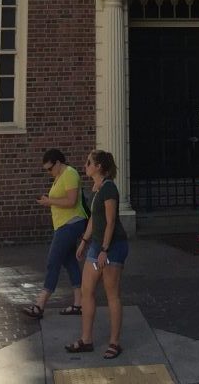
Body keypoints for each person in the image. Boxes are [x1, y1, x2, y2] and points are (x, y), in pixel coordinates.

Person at [65, 149, 128, 361]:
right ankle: (86, 339)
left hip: (113, 246)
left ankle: (114, 343)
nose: (86, 166)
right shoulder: (97, 188)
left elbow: (111, 221)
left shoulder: (109, 188)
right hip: (96, 246)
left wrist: (104, 250)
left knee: (112, 294)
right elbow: (94, 218)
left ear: (99, 166)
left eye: (89, 162)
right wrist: (84, 241)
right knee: (87, 291)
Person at [21, 148, 88, 319]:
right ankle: (79, 303)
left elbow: (71, 201)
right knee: (70, 262)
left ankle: (40, 305)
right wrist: (49, 200)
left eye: (50, 168)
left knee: (53, 262)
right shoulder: (59, 176)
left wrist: (49, 201)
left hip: (71, 223)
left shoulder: (70, 173)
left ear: (58, 163)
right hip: (63, 224)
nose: (49, 172)